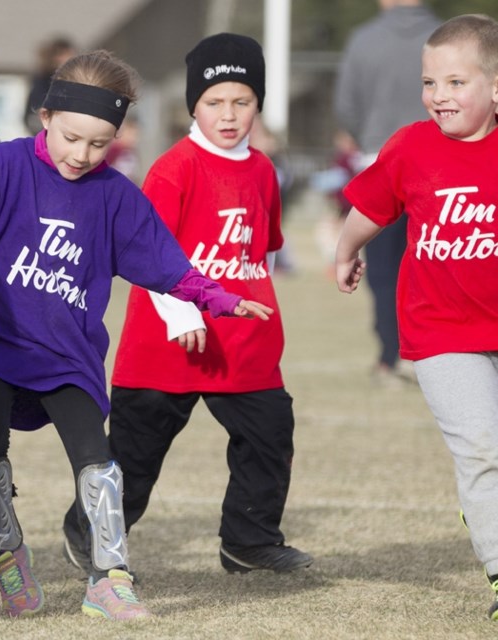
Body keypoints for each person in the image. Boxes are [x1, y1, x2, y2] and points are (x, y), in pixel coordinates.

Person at [0, 50, 273, 621]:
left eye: (100, 144)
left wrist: (221, 299)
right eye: (72, 138)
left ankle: (109, 579)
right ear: (46, 117)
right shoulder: (7, 165)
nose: (82, 155)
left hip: (68, 354)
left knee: (99, 464)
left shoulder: (115, 195)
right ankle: (9, 559)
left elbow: (170, 267)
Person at [62, 34, 312, 581]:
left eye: (241, 101)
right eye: (214, 101)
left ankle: (250, 540)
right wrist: (183, 313)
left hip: (243, 349)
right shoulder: (174, 169)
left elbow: (259, 255)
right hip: (165, 347)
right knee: (135, 457)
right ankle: (88, 534)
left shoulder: (264, 171)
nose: (228, 114)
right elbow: (147, 254)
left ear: (258, 104)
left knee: (269, 436)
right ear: (193, 105)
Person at [335, 14, 498, 619]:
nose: (439, 97)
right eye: (431, 84)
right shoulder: (411, 146)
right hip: (443, 335)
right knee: (482, 448)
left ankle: (484, 505)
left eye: (456, 83)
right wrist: (346, 250)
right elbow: (370, 208)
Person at [333, 0, 440, 386]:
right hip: (440, 166)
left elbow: (347, 104)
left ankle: (389, 355)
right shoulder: (446, 38)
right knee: (436, 262)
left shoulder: (364, 40)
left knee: (382, 270)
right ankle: (429, 351)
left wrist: (372, 142)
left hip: (379, 161)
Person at [23, 36, 76, 135]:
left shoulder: (73, 80)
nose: (68, 58)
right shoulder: (43, 79)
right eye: (64, 54)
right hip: (45, 128)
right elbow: (36, 108)